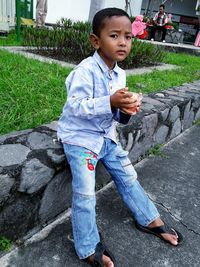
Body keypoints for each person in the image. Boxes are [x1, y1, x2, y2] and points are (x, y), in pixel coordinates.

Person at [57, 7, 183, 267]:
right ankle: (88, 246)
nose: (123, 42)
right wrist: (110, 101)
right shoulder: (85, 71)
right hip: (80, 139)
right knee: (85, 193)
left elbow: (115, 115)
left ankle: (147, 217)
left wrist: (125, 109)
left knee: (128, 176)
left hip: (105, 137)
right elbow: (76, 106)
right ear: (96, 40)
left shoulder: (119, 74)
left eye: (128, 36)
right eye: (114, 35)